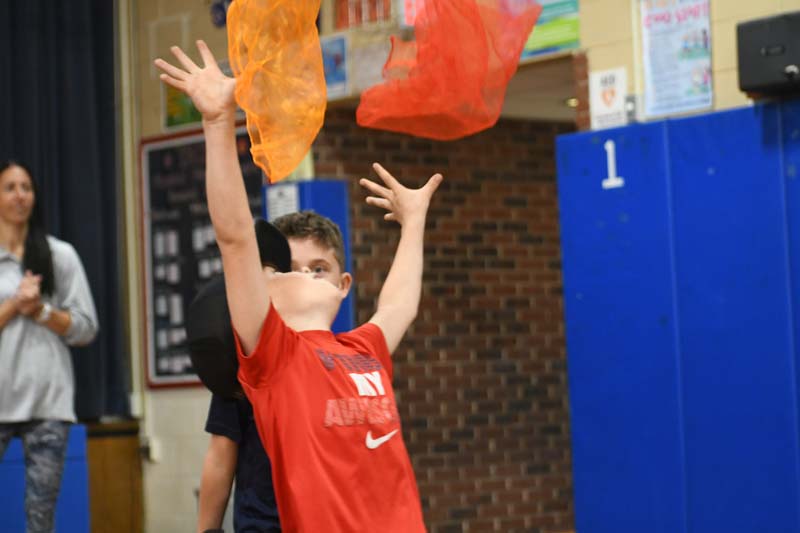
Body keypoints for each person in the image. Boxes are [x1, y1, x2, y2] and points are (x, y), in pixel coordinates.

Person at [155, 40, 441, 531]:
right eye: (289, 270)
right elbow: (236, 237)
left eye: (317, 269)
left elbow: (398, 306)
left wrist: (413, 222)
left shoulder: (361, 349)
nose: (304, 274)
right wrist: (218, 124)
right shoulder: (274, 359)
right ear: (268, 300)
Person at [0, 161, 99, 533]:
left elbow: (86, 328)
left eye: (26, 187)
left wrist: (41, 310)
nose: (20, 195)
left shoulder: (60, 256)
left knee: (41, 519)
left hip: (48, 403)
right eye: (10, 187)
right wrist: (14, 305)